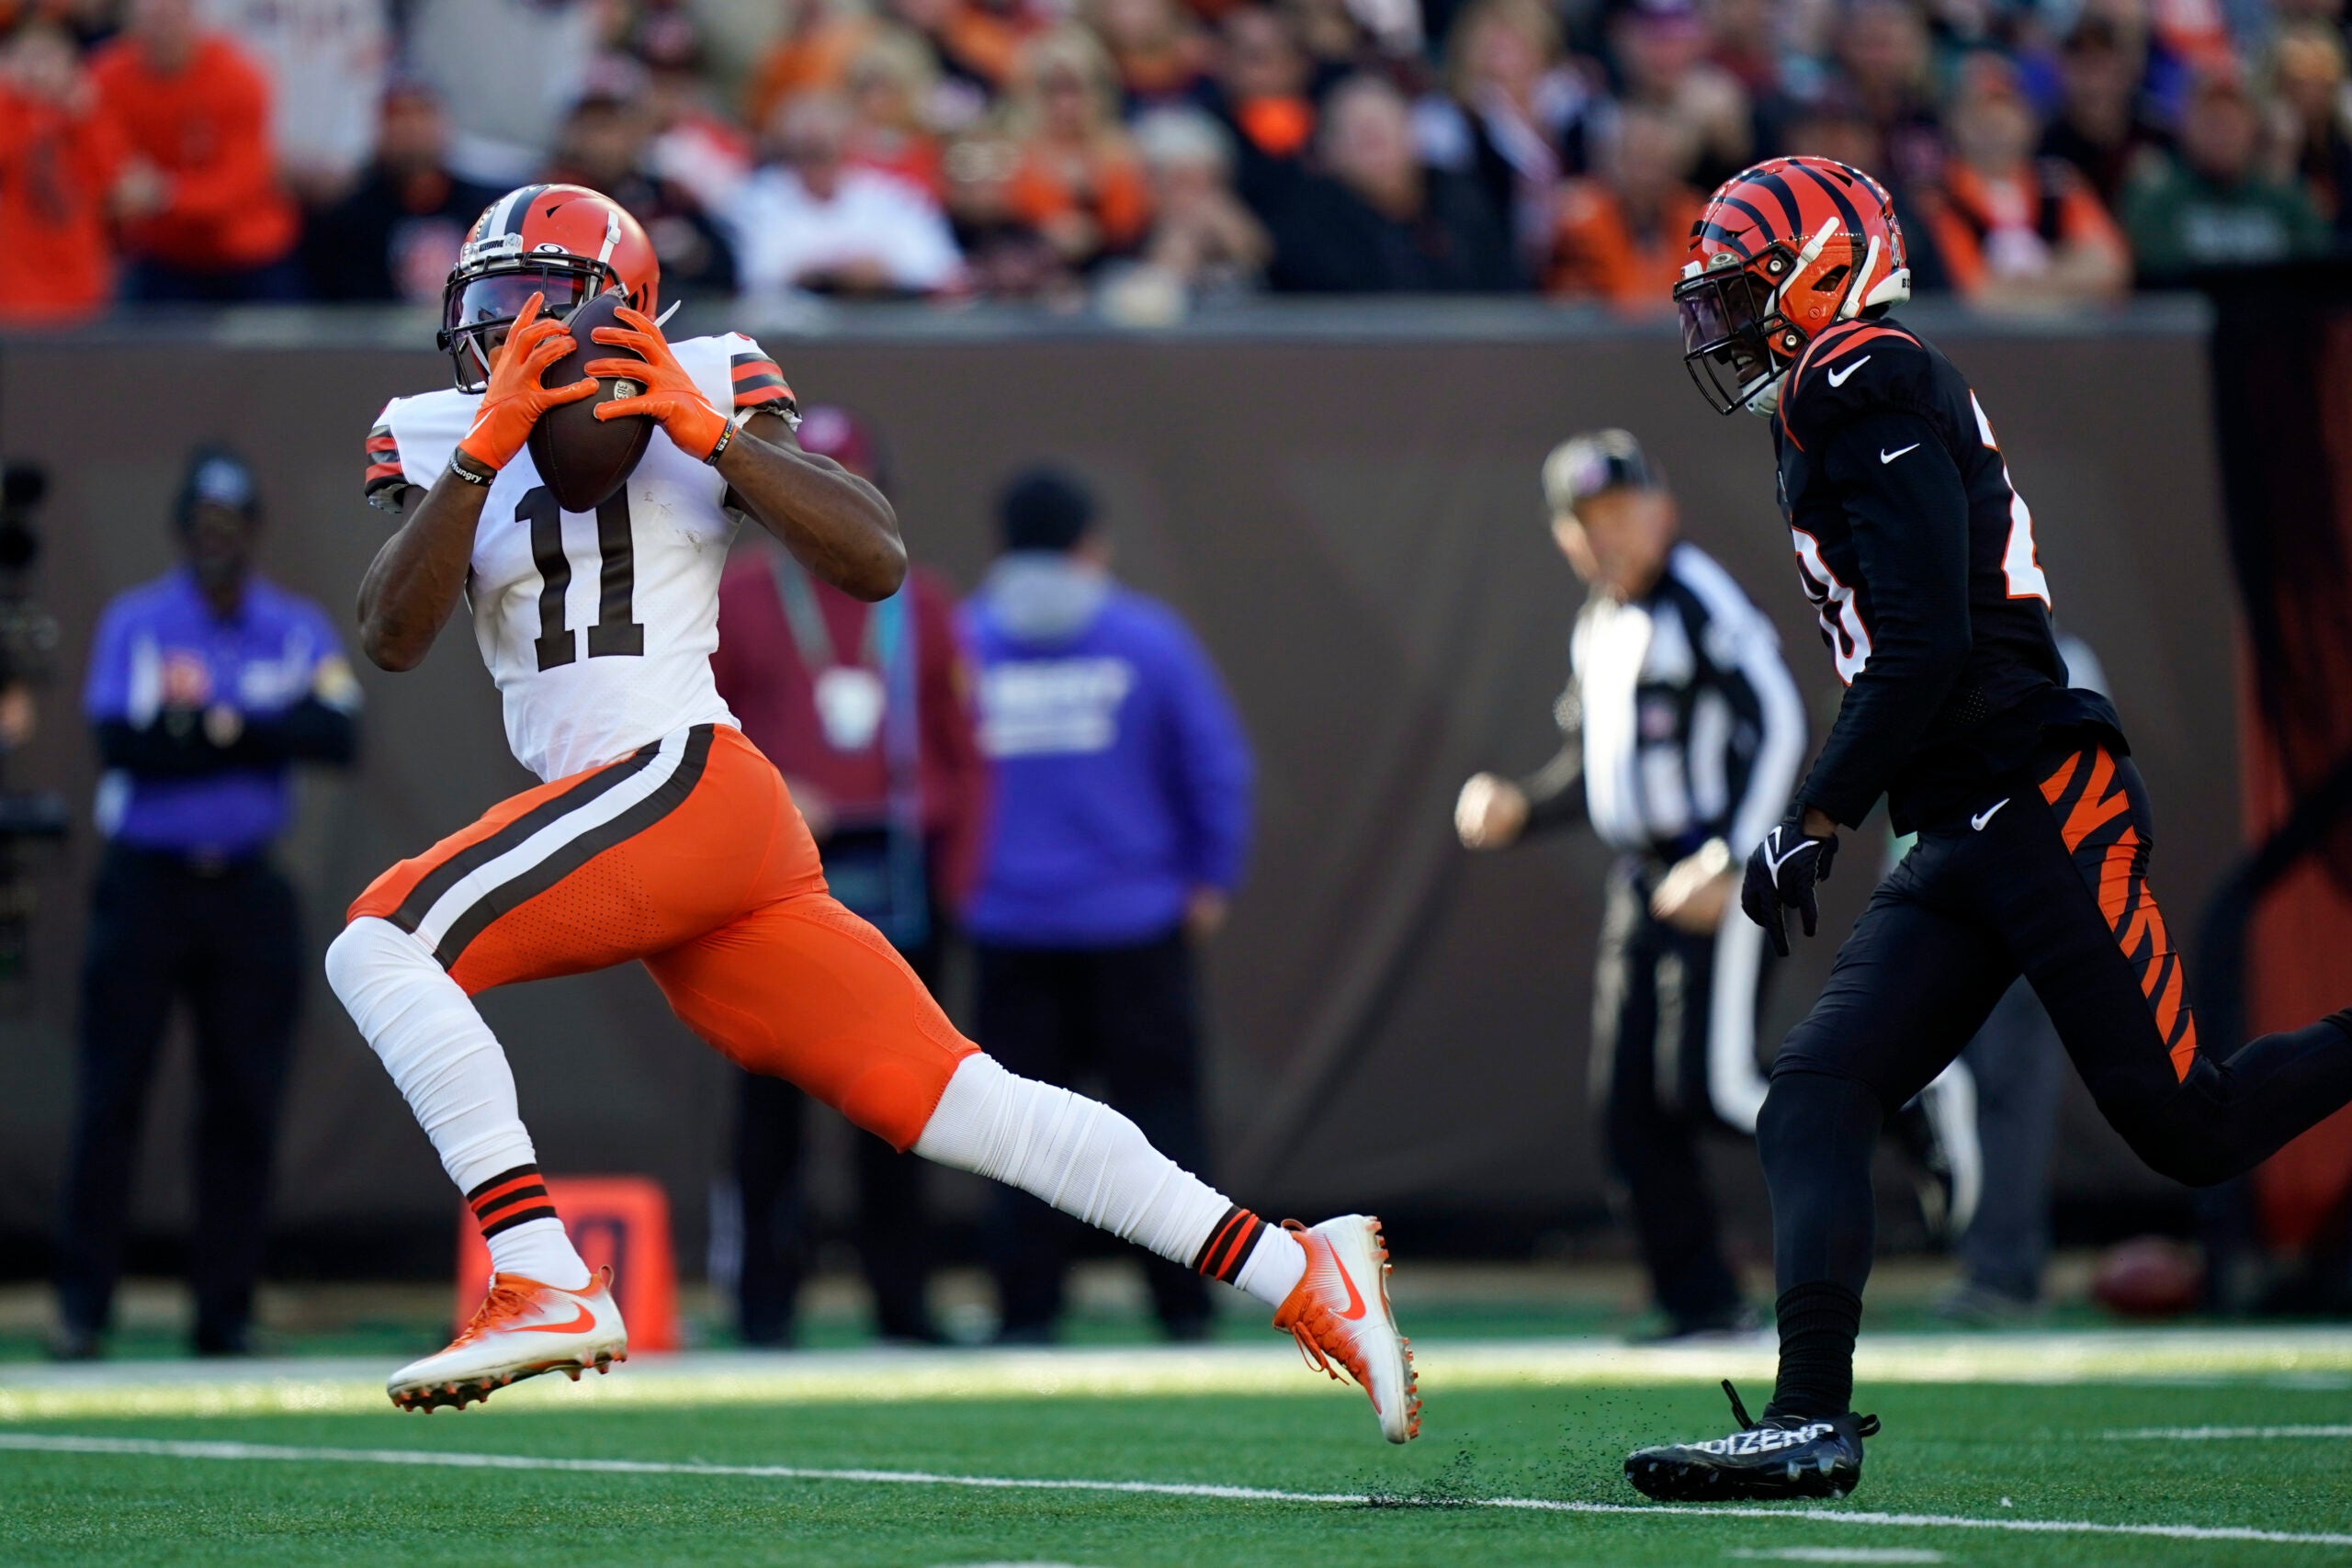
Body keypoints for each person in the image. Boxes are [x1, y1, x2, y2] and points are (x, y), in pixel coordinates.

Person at [330, 183, 1416, 1443]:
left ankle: (543, 1270)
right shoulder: (434, 430)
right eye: (491, 303)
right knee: (963, 1101)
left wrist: (716, 437)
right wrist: (483, 449)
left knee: (384, 938)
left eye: (536, 300)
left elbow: (876, 557)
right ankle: (1300, 1266)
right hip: (653, 818)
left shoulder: (712, 372)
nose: (506, 329)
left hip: (690, 780)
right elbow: (389, 631)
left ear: (612, 310)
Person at [1632, 153, 2352, 1500]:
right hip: (1960, 819)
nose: (1723, 327)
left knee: (2190, 1126)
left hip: (2036, 793)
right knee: (1817, 1091)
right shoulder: (1832, 395)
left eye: (1741, 294)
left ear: (1823, 270)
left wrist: (1814, 815)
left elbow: (1924, 641)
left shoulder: (1867, 374)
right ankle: (1808, 1416)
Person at [1454, 430, 1804, 1340]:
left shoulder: (1695, 596)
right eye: (1583, 521)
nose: (1604, 535)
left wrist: (1729, 858)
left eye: (1618, 512)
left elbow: (1778, 720)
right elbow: (1597, 766)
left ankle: (1890, 1113)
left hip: (1711, 874)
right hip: (1641, 882)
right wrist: (1522, 807)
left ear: (1662, 510)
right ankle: (1699, 1303)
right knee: (1627, 1109)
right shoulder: (1600, 620)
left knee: (1711, 1088)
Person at [54, 446, 362, 1360]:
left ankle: (222, 1313)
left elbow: (338, 735)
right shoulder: (141, 621)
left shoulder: (294, 627)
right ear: (184, 531)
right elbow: (125, 743)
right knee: (112, 1097)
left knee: (244, 1103)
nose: (217, 542)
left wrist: (213, 726)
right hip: (147, 880)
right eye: (204, 525)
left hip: (246, 882)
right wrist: (255, 733)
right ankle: (83, 1310)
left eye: (232, 525)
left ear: (254, 532)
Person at [708, 405, 987, 1346]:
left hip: (899, 878)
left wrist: (959, 880)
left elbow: (966, 750)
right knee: (770, 1112)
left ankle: (901, 1305)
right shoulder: (740, 597)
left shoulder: (925, 601)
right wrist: (774, 787)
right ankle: (762, 1308)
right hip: (774, 886)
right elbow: (696, 733)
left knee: (900, 1104)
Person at [958, 468, 1253, 1342]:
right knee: (1162, 1125)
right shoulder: (1146, 640)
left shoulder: (962, 643)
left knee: (1017, 1137)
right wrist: (1211, 877)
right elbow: (1216, 766)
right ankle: (1184, 1306)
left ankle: (1025, 1311)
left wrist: (962, 885)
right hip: (1137, 926)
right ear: (1091, 544)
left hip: (1009, 927)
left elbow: (927, 780)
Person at [88, 0, 301, 302]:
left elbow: (242, 181)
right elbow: (99, 153)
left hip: (247, 251)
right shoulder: (106, 78)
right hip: (162, 253)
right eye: (153, 18)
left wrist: (164, 194)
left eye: (172, 16)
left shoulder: (237, 76)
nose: (163, 31)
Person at [1268, 73, 1514, 292]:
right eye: (1361, 135)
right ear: (1326, 152)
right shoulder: (1310, 225)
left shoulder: (1460, 197)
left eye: (1384, 127)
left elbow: (1504, 284)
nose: (1375, 142)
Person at [1923, 54, 2129, 310]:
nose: (1995, 122)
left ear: (2029, 119)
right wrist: (2069, 278)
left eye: (2007, 108)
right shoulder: (1938, 197)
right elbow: (1975, 293)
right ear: (1954, 121)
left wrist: (2021, 289)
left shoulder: (2058, 184)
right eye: (1978, 111)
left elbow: (2110, 268)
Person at [728, 92, 964, 299]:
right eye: (805, 152)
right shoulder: (755, 199)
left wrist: (882, 271)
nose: (814, 164)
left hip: (887, 325)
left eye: (825, 150)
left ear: (847, 146)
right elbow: (754, 274)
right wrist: (824, 273)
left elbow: (941, 269)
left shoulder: (892, 195)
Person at [2120, 63, 2330, 286]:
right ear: (2186, 125)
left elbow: (2317, 274)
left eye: (2233, 120)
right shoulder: (2155, 200)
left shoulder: (2288, 200)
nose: (2222, 132)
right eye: (2212, 120)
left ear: (2253, 126)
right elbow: (2154, 276)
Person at [300, 80, 503, 304]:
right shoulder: (347, 223)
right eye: (398, 116)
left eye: (421, 114)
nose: (411, 127)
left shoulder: (487, 211)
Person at [0, 17, 124, 326]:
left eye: (47, 56)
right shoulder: (7, 114)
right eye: (25, 57)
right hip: (15, 286)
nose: (36, 69)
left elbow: (111, 184)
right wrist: (24, 104)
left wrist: (82, 116)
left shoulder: (90, 116)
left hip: (80, 282)